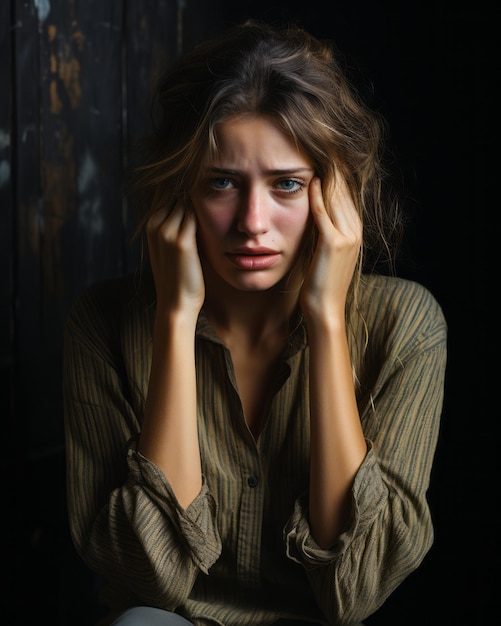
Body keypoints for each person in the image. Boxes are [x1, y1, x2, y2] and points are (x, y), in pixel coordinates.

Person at [62, 18, 447, 626]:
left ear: (336, 194)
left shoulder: (406, 324)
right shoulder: (102, 323)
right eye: (221, 182)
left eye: (287, 185)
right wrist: (174, 316)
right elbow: (150, 578)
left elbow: (355, 591)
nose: (252, 221)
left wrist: (325, 320)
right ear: (180, 190)